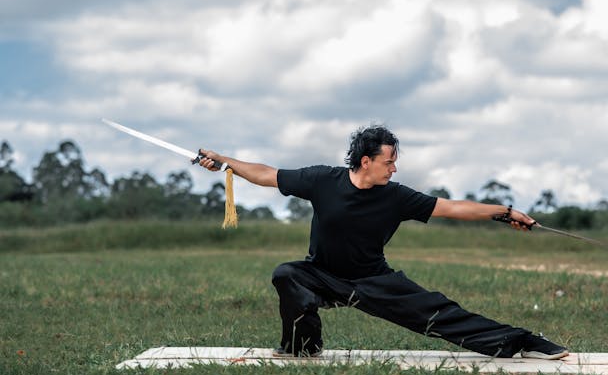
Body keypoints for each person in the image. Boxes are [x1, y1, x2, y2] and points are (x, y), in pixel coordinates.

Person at [198, 125, 568, 360]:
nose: (394, 169)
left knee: (439, 314)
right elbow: (266, 174)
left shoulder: (397, 197)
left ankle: (523, 342)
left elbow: (453, 207)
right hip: (322, 275)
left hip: (373, 281)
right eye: (389, 162)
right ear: (366, 161)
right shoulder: (322, 180)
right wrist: (225, 162)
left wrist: (504, 211)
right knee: (287, 274)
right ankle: (302, 348)